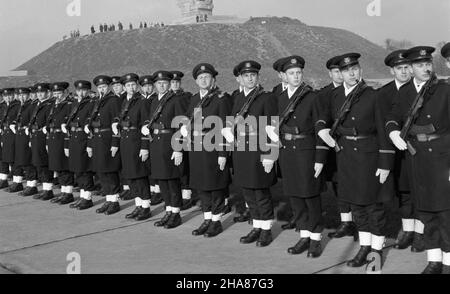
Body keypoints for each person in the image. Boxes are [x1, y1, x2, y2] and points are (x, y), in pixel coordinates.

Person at [317, 53, 395, 268]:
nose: (352, 73)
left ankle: (376, 251)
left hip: (369, 156)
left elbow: (382, 129)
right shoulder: (335, 96)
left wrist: (385, 163)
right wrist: (321, 129)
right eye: (347, 70)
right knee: (356, 207)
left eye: (355, 68)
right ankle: (364, 246)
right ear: (340, 74)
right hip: (346, 157)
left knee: (372, 207)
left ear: (360, 70)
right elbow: (324, 117)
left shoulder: (372, 96)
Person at [386, 46, 450, 274]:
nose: (426, 68)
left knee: (445, 212)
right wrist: (393, 131)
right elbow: (392, 117)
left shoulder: (443, 90)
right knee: (425, 211)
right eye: (420, 65)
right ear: (411, 68)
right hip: (417, 157)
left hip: (442, 157)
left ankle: (448, 260)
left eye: (428, 64)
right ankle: (434, 260)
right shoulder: (404, 93)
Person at [272, 56, 328, 257]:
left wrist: (320, 158)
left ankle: (315, 239)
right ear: (284, 76)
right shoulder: (279, 98)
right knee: (295, 196)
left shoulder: (312, 97)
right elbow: (272, 125)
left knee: (310, 197)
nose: (296, 76)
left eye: (298, 73)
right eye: (291, 73)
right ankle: (304, 235)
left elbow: (321, 127)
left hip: (307, 152)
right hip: (287, 152)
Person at [222, 60, 278, 247]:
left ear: (258, 77)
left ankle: (266, 230)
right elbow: (231, 121)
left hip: (258, 149)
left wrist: (270, 154)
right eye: (246, 75)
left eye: (253, 75)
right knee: (248, 192)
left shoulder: (266, 98)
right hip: (241, 151)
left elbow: (272, 127)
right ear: (240, 78)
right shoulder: (238, 98)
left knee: (261, 192)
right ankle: (257, 225)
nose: (250, 78)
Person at [379, 50, 425, 251]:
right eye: (400, 68)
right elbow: (382, 126)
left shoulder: (423, 89)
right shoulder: (383, 94)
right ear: (392, 71)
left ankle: (421, 234)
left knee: (421, 193)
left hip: (420, 150)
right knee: (404, 194)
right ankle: (408, 231)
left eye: (407, 67)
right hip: (396, 152)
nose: (405, 71)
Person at [180, 63, 232, 237]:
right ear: (196, 81)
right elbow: (188, 117)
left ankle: (216, 221)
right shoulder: (194, 99)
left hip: (214, 148)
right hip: (196, 148)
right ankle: (207, 218)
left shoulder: (221, 98)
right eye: (200, 78)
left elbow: (226, 126)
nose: (204, 80)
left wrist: (223, 153)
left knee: (215, 187)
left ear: (213, 79)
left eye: (207, 77)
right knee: (202, 186)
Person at [317, 56, 357, 239]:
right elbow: (321, 119)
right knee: (338, 184)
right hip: (334, 147)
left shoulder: (357, 91)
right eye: (335, 71)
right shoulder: (325, 94)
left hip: (355, 145)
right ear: (331, 73)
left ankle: (359, 221)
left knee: (357, 183)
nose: (339, 75)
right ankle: (345, 221)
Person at [141, 71, 187, 229]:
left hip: (169, 144)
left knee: (172, 181)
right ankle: (168, 211)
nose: (162, 85)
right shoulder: (154, 101)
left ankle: (176, 213)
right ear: (154, 85)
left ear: (169, 84)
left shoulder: (175, 100)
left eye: (165, 83)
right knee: (162, 180)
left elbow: (182, 125)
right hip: (156, 144)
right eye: (159, 83)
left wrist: (178, 148)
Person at [112, 73, 152, 221]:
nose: (131, 87)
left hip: (136, 142)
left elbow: (145, 125)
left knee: (140, 176)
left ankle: (146, 207)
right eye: (128, 85)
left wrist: (144, 146)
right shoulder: (124, 101)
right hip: (125, 142)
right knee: (130, 176)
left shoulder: (142, 101)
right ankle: (138, 205)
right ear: (124, 87)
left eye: (134, 84)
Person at [86, 75, 123, 215]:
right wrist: (90, 143)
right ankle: (108, 199)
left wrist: (115, 143)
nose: (102, 89)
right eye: (99, 87)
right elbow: (91, 124)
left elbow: (116, 123)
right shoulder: (96, 101)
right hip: (97, 139)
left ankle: (114, 201)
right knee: (101, 171)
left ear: (109, 87)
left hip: (107, 139)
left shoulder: (114, 101)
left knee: (110, 171)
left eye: (104, 87)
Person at [62, 80, 96, 210]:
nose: (81, 92)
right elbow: (69, 124)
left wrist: (89, 144)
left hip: (83, 138)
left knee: (85, 170)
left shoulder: (91, 104)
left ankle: (87, 198)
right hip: (74, 140)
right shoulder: (74, 104)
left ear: (88, 91)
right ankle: (82, 196)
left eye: (84, 90)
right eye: (79, 90)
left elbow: (90, 126)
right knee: (78, 170)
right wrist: (66, 143)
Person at [45, 82, 76, 205]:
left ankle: (68, 193)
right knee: (58, 166)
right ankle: (63, 192)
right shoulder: (53, 105)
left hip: (62, 138)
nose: (57, 95)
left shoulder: (68, 105)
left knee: (64, 166)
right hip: (53, 137)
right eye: (55, 93)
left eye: (59, 93)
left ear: (64, 93)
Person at [170, 71, 195, 210]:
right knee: (175, 167)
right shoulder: (166, 98)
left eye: (177, 82)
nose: (175, 84)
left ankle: (187, 195)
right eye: (173, 82)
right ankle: (177, 194)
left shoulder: (186, 96)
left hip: (183, 134)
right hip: (171, 134)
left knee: (184, 166)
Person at [25, 83, 55, 198]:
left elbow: (51, 120)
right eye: (38, 92)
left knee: (44, 163)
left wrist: (45, 128)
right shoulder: (37, 104)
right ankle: (45, 189)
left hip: (44, 137)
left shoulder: (50, 104)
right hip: (35, 136)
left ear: (47, 93)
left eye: (42, 92)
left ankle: (48, 190)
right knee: (38, 163)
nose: (40, 94)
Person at [139, 75, 163, 206]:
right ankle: (154, 189)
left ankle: (157, 191)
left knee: (156, 164)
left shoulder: (155, 99)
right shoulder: (141, 99)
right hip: (145, 134)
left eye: (149, 85)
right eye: (144, 86)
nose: (147, 88)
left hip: (155, 134)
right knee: (149, 165)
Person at [8, 87, 37, 194]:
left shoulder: (32, 105)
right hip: (18, 135)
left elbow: (33, 120)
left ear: (28, 95)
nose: (22, 97)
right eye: (20, 95)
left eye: (24, 95)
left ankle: (32, 185)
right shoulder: (20, 105)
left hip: (26, 135)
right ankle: (18, 183)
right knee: (18, 159)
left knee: (27, 160)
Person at [0, 88, 20, 190]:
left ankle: (17, 181)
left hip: (13, 133)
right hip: (4, 133)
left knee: (14, 157)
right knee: (3, 157)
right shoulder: (2, 106)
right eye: (6, 95)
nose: (8, 97)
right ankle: (3, 179)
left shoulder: (18, 105)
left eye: (10, 95)